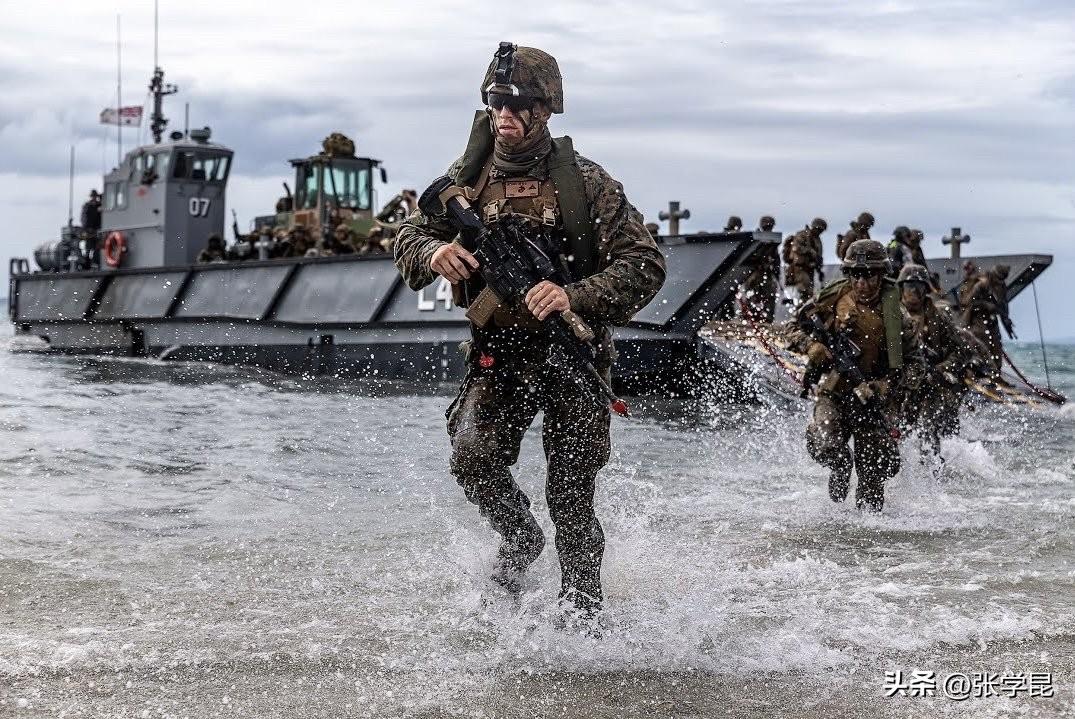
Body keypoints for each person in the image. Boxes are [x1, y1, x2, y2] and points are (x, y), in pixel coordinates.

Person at [393, 42, 666, 619]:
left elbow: (645, 264)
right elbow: (408, 239)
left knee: (570, 499)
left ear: (546, 111)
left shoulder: (588, 184)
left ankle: (582, 623)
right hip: (500, 354)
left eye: (517, 105)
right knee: (472, 460)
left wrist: (573, 295)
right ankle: (519, 539)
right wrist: (435, 250)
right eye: (496, 103)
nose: (504, 116)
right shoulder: (464, 182)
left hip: (572, 357)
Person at [799, 239, 920, 511]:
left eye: (869, 275)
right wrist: (812, 346)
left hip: (872, 403)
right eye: (856, 275)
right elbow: (793, 328)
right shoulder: (831, 299)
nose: (862, 283)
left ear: (881, 275)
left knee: (876, 475)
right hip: (835, 393)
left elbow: (916, 366)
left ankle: (868, 543)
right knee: (824, 443)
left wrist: (883, 387)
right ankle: (841, 465)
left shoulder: (897, 317)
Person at [897, 264, 974, 460]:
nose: (914, 292)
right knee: (896, 434)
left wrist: (940, 369)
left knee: (928, 434)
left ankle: (933, 481)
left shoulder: (937, 316)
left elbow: (962, 351)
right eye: (909, 286)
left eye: (919, 287)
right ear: (901, 288)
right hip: (899, 384)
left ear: (926, 290)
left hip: (930, 384)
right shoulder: (891, 316)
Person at [962, 264, 1015, 373]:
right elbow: (969, 302)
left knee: (996, 345)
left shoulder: (1001, 287)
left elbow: (1003, 305)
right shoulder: (982, 285)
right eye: (998, 279)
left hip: (991, 320)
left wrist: (1006, 319)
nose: (999, 282)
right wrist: (985, 305)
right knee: (982, 343)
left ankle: (996, 372)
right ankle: (981, 372)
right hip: (977, 318)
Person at [781, 217, 827, 306]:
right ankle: (800, 311)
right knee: (803, 291)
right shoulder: (802, 235)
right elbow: (796, 248)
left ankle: (804, 311)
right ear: (814, 227)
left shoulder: (817, 240)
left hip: (810, 270)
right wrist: (810, 251)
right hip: (799, 268)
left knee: (809, 293)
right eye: (818, 229)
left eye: (821, 230)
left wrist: (819, 269)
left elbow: (818, 256)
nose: (819, 232)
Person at [80, 189, 102, 266]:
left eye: (95, 196)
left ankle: (95, 262)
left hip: (97, 230)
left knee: (97, 248)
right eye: (93, 196)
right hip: (89, 230)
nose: (94, 198)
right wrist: (86, 229)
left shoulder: (99, 206)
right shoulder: (87, 206)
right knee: (88, 248)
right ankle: (87, 264)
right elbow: (84, 218)